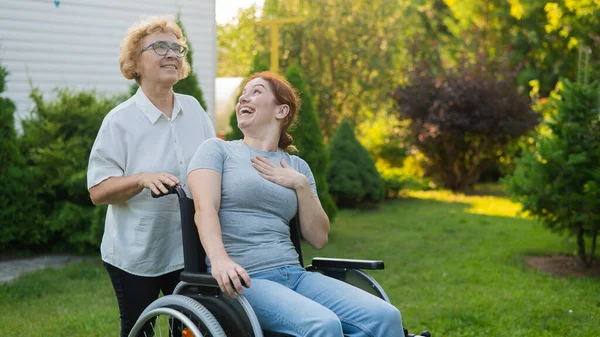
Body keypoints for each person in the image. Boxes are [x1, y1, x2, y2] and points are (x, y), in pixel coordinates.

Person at [187, 71, 404, 336]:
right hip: (246, 279)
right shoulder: (218, 150)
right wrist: (219, 260)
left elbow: (319, 238)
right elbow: (203, 209)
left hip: (296, 275)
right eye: (243, 93)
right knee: (323, 325)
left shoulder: (297, 167)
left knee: (386, 316)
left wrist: (300, 184)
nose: (244, 96)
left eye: (256, 91)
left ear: (281, 110)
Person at [87, 16, 215, 337]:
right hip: (135, 254)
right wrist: (140, 179)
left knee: (187, 330)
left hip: (187, 249)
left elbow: (215, 165)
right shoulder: (119, 121)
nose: (172, 53)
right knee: (138, 330)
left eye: (177, 48)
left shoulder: (195, 109)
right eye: (160, 46)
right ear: (135, 62)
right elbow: (98, 191)